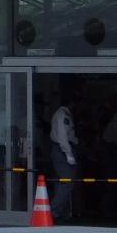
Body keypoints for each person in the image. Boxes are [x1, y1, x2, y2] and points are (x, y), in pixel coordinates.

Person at [49, 93, 79, 221]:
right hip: (62, 151)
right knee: (67, 182)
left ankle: (62, 212)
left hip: (62, 149)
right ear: (72, 103)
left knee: (61, 183)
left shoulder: (63, 114)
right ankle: (54, 211)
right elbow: (63, 136)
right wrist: (69, 154)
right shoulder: (63, 115)